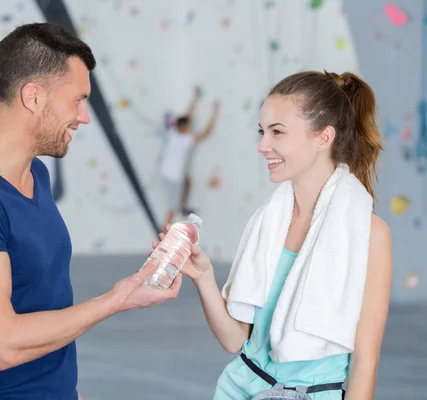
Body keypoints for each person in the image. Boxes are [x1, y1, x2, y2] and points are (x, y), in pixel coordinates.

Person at [0, 22, 181, 400]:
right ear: (33, 96)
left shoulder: (36, 174)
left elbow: (42, 299)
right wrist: (116, 299)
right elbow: (2, 346)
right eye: (77, 99)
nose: (85, 116)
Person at [152, 70, 393, 399]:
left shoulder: (370, 235)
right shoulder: (267, 222)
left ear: (323, 138)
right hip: (236, 388)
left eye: (277, 132)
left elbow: (365, 362)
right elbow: (236, 340)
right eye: (262, 131)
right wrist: (203, 276)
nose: (263, 145)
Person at [158, 87, 220, 229]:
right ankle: (162, 237)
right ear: (185, 127)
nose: (191, 126)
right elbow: (206, 132)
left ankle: (182, 206)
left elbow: (187, 115)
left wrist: (194, 98)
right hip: (174, 178)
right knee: (171, 209)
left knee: (188, 181)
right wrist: (215, 112)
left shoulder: (173, 133)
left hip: (165, 174)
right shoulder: (187, 140)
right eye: (189, 125)